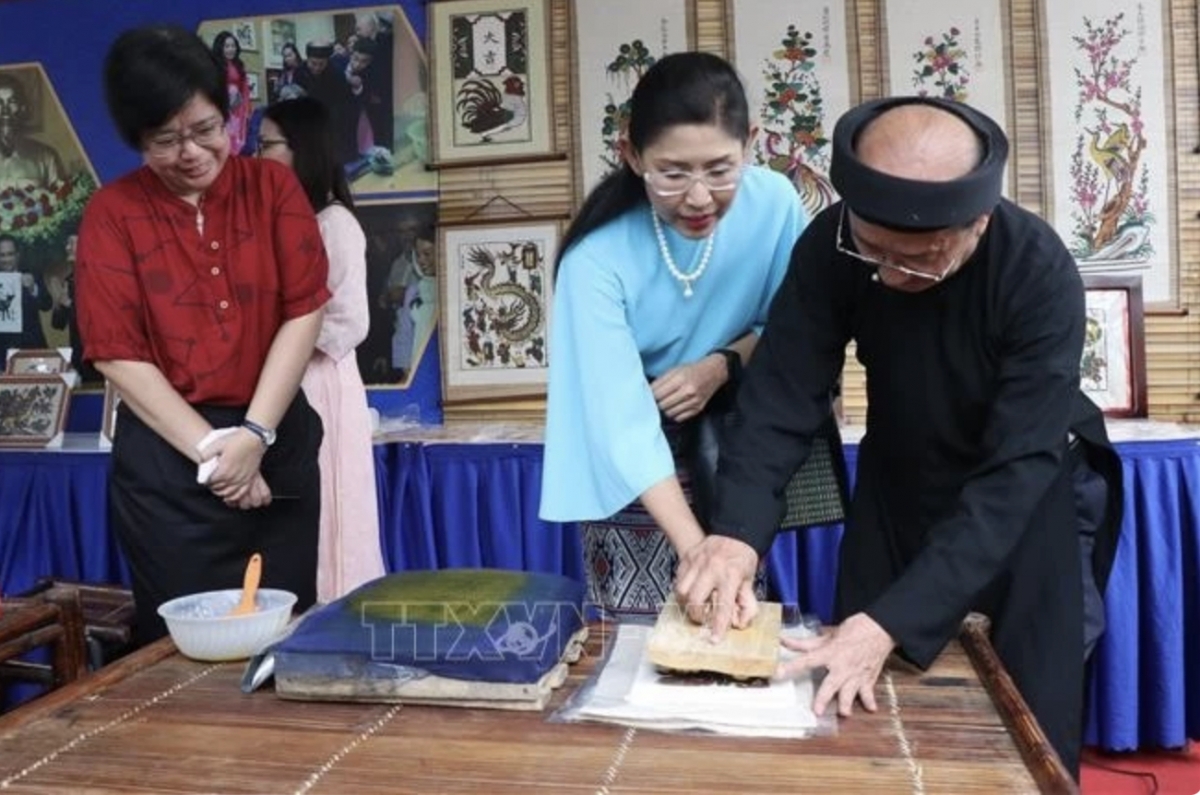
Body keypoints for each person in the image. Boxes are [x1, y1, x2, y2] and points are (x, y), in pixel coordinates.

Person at [676, 96, 1122, 779]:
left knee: (1029, 724)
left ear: (974, 224)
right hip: (897, 478)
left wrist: (890, 623)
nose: (882, 273)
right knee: (858, 708)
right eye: (871, 249)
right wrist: (735, 531)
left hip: (1021, 497)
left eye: (913, 262)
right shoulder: (833, 245)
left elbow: (1015, 469)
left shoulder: (1037, 272)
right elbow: (782, 397)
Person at [76, 25, 330, 643]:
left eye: (206, 129)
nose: (191, 152)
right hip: (171, 464)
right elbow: (115, 352)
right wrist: (222, 460)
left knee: (285, 640)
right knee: (182, 653)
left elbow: (305, 309)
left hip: (276, 443)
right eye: (165, 139)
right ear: (135, 137)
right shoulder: (112, 215)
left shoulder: (272, 189)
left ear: (229, 115)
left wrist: (254, 435)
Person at [539, 52, 807, 616]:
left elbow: (797, 327)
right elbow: (620, 422)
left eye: (719, 169)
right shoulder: (594, 260)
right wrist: (696, 549)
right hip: (639, 477)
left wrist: (722, 363)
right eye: (673, 173)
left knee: (737, 629)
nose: (699, 197)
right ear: (631, 156)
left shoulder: (776, 205)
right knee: (639, 645)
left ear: (751, 141)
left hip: (737, 457)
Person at [258, 96, 385, 601]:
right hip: (284, 382)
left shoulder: (335, 223)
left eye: (267, 144)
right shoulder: (287, 219)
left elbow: (349, 321)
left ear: (301, 150)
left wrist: (281, 338)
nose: (257, 155)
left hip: (319, 383)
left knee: (332, 506)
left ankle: (336, 608)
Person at [0, 72, 64, 191]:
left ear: (22, 107)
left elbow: (64, 203)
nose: (5, 110)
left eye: (12, 101)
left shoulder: (46, 156)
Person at [0, 232, 51, 359]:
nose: (6, 259)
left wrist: (33, 288)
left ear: (17, 255)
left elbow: (46, 304)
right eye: (2, 255)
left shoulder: (32, 275)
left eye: (10, 254)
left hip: (31, 348)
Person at [211, 31, 252, 155]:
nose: (231, 49)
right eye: (227, 46)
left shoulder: (238, 65)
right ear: (220, 48)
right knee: (226, 136)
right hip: (224, 105)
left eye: (233, 46)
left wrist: (247, 107)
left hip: (238, 106)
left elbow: (243, 88)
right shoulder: (216, 65)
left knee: (238, 136)